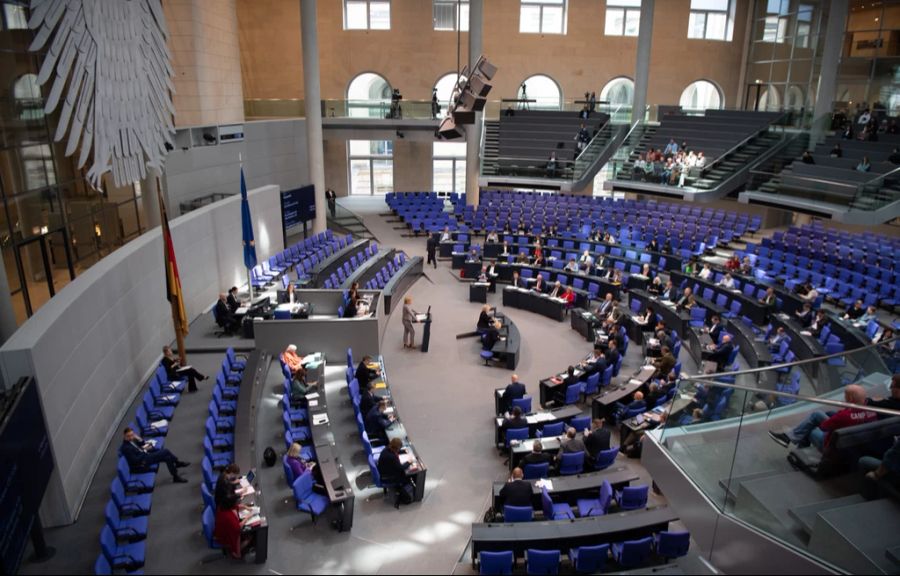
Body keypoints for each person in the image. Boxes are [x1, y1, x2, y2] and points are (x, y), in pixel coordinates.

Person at [768, 384, 876, 451]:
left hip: (832, 446)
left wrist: (843, 411)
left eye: (846, 396)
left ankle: (796, 447)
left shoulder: (844, 415)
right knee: (823, 414)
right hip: (853, 442)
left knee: (810, 425)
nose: (844, 398)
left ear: (851, 398)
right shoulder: (872, 411)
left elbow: (824, 427)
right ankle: (792, 441)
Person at [120, 428, 188, 483]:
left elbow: (142, 443)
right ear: (124, 436)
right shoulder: (126, 448)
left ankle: (175, 477)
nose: (131, 437)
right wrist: (144, 450)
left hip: (145, 456)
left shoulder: (132, 440)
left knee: (167, 458)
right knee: (165, 451)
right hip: (142, 462)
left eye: (132, 435)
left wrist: (138, 438)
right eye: (128, 436)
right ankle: (177, 462)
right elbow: (135, 460)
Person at [214, 491, 254, 559]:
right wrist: (247, 517)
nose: (238, 503)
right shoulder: (228, 516)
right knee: (248, 538)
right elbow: (238, 528)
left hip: (222, 529)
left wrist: (245, 507)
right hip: (225, 535)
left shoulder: (224, 506)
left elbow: (236, 507)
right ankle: (236, 552)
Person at [378, 437, 415, 508]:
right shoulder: (391, 457)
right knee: (407, 475)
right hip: (388, 476)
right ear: (395, 448)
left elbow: (395, 453)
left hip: (384, 471)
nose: (399, 450)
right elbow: (401, 467)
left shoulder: (386, 449)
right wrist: (409, 462)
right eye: (399, 449)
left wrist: (403, 451)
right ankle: (405, 491)